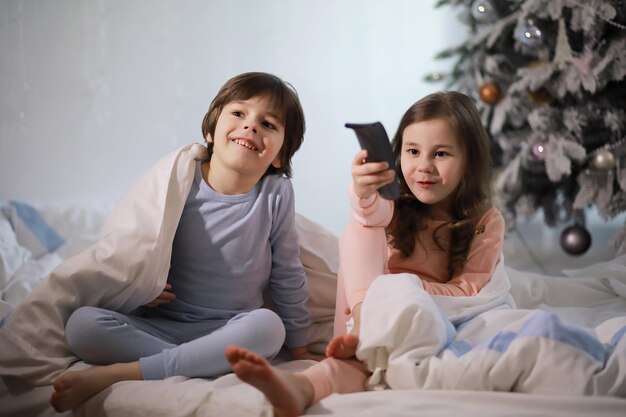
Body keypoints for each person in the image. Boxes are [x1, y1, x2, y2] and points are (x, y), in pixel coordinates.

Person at [225, 91, 505, 417]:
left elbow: (470, 291)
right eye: (413, 151)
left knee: (364, 358)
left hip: (429, 313)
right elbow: (369, 213)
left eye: (441, 153)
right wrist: (363, 189)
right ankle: (302, 384)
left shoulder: (485, 220)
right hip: (364, 314)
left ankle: (317, 376)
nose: (424, 166)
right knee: (358, 229)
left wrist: (404, 290)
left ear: (470, 161)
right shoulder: (395, 200)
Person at [50, 72, 316, 412]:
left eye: (268, 124)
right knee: (82, 326)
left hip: (229, 329)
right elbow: (133, 247)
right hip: (159, 327)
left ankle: (126, 372)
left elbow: (287, 272)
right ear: (210, 130)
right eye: (239, 113)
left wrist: (300, 346)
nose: (251, 127)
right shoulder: (179, 179)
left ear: (280, 155)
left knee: (269, 328)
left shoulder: (275, 193)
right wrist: (140, 286)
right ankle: (193, 362)